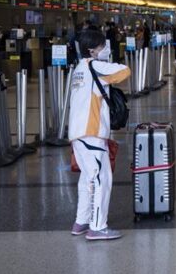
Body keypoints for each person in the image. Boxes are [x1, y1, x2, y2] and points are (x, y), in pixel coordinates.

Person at [68, 29, 130, 241]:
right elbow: (124, 71)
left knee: (87, 178)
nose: (106, 50)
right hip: (91, 131)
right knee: (101, 178)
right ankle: (97, 226)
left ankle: (81, 221)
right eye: (103, 46)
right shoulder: (95, 65)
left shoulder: (78, 68)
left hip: (77, 132)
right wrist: (108, 61)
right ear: (92, 49)